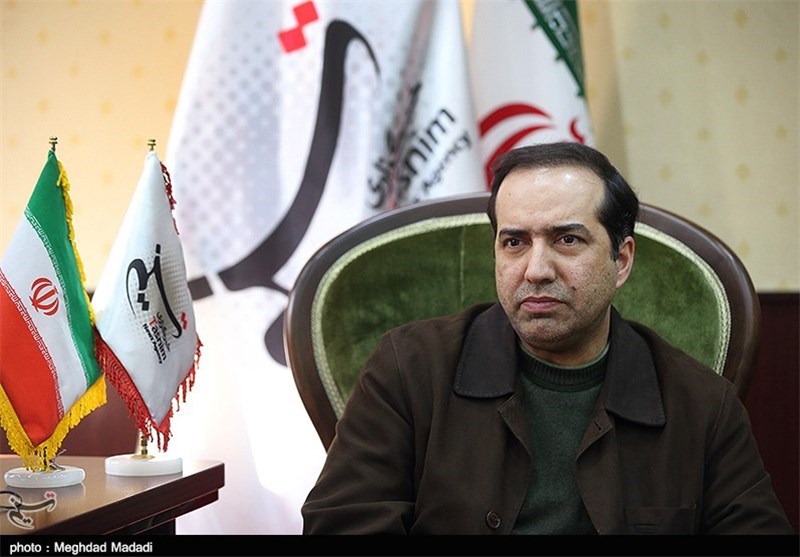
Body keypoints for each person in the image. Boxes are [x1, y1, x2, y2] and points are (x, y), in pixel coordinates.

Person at [301, 141, 794, 535]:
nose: (535, 270)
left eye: (567, 240)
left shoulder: (702, 405)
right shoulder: (408, 369)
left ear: (621, 260)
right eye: (515, 242)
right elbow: (343, 524)